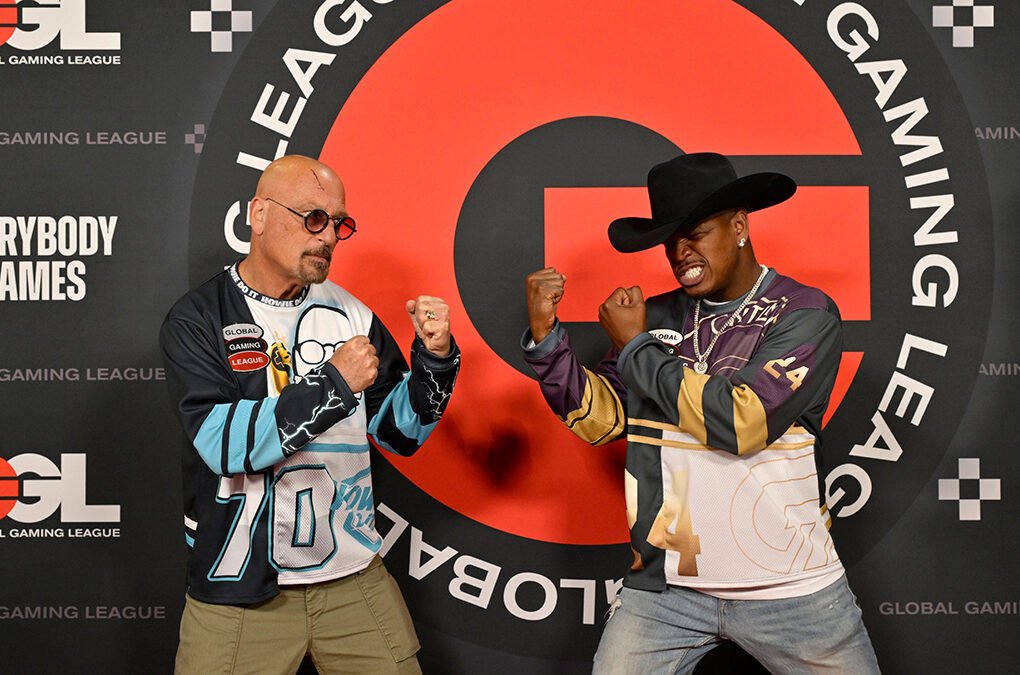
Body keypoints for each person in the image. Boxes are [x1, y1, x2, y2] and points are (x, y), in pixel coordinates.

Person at [522, 152, 879, 673]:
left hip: (791, 587)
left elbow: (743, 423)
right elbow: (602, 422)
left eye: (695, 233)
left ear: (739, 226)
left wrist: (636, 347)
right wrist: (546, 340)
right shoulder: (658, 315)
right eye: (671, 241)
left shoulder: (805, 311)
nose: (680, 252)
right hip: (667, 588)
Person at [160, 155, 460, 674]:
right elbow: (224, 446)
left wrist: (434, 363)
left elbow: (399, 434)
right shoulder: (198, 318)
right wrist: (335, 383)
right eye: (312, 218)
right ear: (258, 215)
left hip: (352, 579)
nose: (328, 237)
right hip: (239, 590)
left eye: (339, 224)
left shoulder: (354, 314)